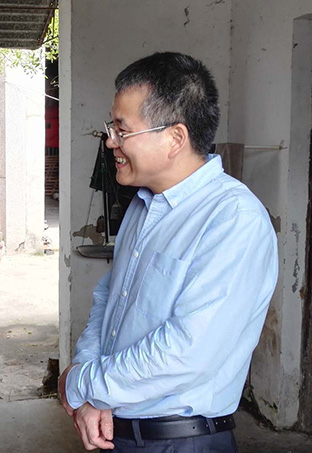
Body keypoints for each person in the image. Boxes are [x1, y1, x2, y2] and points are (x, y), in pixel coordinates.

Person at [59, 52, 278, 452]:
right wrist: (90, 388)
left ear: (175, 138)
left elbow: (187, 352)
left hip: (182, 441)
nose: (110, 141)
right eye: (111, 127)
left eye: (122, 129)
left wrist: (81, 383)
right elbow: (110, 300)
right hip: (118, 431)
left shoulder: (233, 219)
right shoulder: (142, 207)